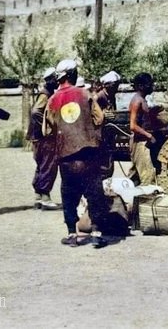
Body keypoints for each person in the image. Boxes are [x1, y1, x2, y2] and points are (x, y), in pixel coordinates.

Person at [43, 59, 124, 247]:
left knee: (69, 195)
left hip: (66, 156)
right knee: (94, 193)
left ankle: (72, 235)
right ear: (73, 75)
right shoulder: (85, 94)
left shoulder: (53, 100)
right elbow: (100, 118)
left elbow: (47, 131)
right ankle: (96, 233)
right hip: (88, 154)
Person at [26, 67, 59, 210]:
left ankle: (38, 196)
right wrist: (47, 126)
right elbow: (36, 113)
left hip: (39, 137)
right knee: (48, 164)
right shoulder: (46, 95)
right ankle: (45, 195)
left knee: (41, 165)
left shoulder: (46, 93)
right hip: (45, 138)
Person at [128, 73, 160, 186]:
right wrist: (149, 136)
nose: (152, 86)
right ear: (141, 86)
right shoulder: (137, 101)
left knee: (135, 177)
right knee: (147, 176)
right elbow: (133, 126)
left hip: (142, 142)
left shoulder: (142, 100)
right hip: (140, 143)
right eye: (149, 84)